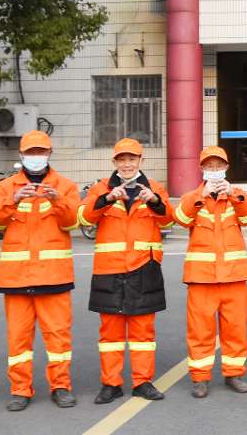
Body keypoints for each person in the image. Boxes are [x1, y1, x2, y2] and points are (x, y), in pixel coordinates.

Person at [0, 130, 82, 411]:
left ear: (49, 154)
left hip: (54, 276)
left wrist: (58, 201)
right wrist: (12, 200)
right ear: (21, 155)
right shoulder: (5, 187)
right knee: (18, 338)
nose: (36, 157)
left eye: (40, 152)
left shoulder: (65, 186)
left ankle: (61, 386)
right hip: (16, 277)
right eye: (30, 152)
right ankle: (20, 389)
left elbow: (74, 222)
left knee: (58, 336)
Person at [78, 138, 173, 404]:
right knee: (110, 334)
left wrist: (154, 200)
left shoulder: (155, 187)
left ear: (141, 161)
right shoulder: (100, 187)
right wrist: (107, 199)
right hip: (109, 269)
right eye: (122, 159)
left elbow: (169, 219)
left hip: (144, 268)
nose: (127, 164)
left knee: (143, 333)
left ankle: (143, 382)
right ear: (114, 162)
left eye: (132, 159)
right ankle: (111, 384)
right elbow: (83, 217)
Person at [173, 146, 247, 399]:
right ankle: (200, 378)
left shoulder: (236, 195)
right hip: (201, 278)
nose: (214, 170)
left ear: (226, 168)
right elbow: (180, 218)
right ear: (201, 169)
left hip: (234, 277)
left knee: (235, 329)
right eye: (209, 166)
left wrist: (233, 194)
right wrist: (200, 196)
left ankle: (234, 374)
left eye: (218, 166)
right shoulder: (192, 197)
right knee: (200, 331)